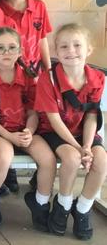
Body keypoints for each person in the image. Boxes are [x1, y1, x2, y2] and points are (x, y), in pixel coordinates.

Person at [0, 27, 56, 229]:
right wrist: (10, 137)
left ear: (21, 51)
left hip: (24, 130)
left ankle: (40, 203)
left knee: (47, 159)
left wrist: (29, 132)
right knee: (3, 157)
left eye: (12, 47)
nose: (6, 53)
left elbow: (33, 113)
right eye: (0, 48)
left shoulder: (29, 76)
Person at [34, 23, 106, 240]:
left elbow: (92, 115)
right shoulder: (48, 78)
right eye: (64, 47)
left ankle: (82, 208)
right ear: (56, 51)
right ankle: (63, 204)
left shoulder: (97, 78)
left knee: (101, 162)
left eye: (77, 45)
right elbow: (54, 120)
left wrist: (87, 146)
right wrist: (78, 148)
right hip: (54, 132)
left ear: (89, 50)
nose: (71, 51)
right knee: (72, 159)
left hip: (82, 132)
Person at [0, 0, 51, 75]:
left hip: (36, 72)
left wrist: (48, 70)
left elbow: (42, 40)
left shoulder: (39, 6)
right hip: (9, 72)